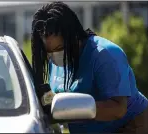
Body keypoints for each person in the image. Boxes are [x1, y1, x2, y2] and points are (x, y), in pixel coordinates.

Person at [31, 1, 148, 133]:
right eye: (48, 51)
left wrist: (73, 108)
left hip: (131, 126)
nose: (54, 56)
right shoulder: (53, 60)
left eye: (59, 48)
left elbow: (118, 109)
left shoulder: (105, 54)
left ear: (74, 36)